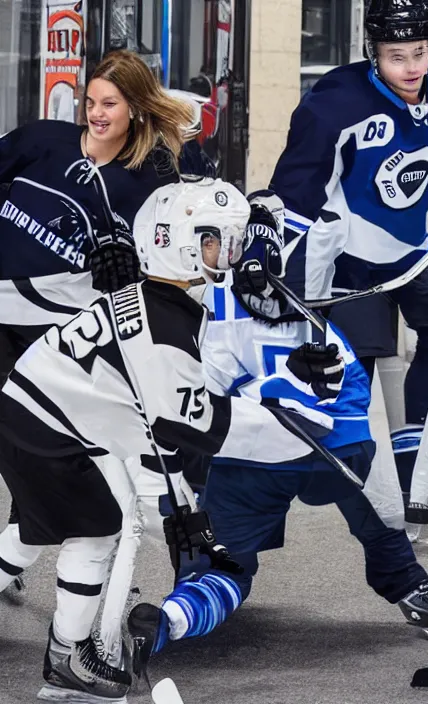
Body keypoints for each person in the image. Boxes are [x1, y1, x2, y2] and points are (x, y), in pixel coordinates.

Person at [126, 191, 428, 667]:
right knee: (382, 520)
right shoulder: (314, 255)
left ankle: (173, 618)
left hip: (257, 452)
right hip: (336, 440)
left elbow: (195, 407)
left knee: (219, 561)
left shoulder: (201, 298)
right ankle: (412, 589)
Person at [0, 178, 253, 701]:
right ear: (180, 244)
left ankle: (68, 656)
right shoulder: (165, 323)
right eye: (214, 241)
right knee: (96, 528)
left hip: (37, 412)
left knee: (33, 529)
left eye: (232, 240)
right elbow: (194, 427)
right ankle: (68, 659)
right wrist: (287, 419)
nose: (226, 253)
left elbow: (142, 418)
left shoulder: (153, 298)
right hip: (51, 423)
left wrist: (179, 503)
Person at [269, 0, 428, 510]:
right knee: (349, 374)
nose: (411, 69)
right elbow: (292, 197)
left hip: (412, 251)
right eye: (396, 56)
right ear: (372, 53)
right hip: (347, 259)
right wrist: (275, 265)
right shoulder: (332, 104)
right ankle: (318, 473)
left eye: (420, 53)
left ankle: (411, 479)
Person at [0, 48, 201, 604]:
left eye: (109, 103)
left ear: (136, 108)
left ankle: (60, 564)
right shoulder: (41, 139)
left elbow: (174, 264)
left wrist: (129, 269)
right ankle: (47, 558)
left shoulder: (152, 181)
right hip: (2, 320)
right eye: (90, 101)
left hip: (58, 341)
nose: (95, 112)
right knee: (43, 466)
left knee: (55, 466)